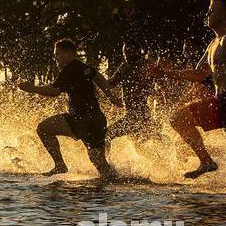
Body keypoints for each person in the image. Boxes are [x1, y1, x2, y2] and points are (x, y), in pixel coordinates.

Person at [155, 0, 226, 188]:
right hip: (225, 103)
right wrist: (166, 72)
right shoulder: (213, 44)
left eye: (212, 10)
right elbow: (199, 74)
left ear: (224, 15)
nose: (207, 13)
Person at [18, 38, 122, 179]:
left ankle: (60, 165)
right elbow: (98, 77)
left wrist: (32, 88)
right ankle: (120, 181)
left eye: (58, 55)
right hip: (96, 119)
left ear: (68, 53)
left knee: (43, 128)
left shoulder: (69, 69)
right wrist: (111, 96)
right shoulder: (82, 67)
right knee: (100, 164)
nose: (56, 59)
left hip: (81, 119)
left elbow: (54, 91)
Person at [106, 43, 158, 145]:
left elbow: (157, 83)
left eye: (128, 52)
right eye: (124, 52)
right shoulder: (125, 66)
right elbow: (110, 83)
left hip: (137, 115)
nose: (126, 55)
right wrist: (95, 79)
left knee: (107, 134)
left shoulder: (146, 65)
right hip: (136, 114)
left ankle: (104, 161)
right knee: (141, 148)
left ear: (138, 51)